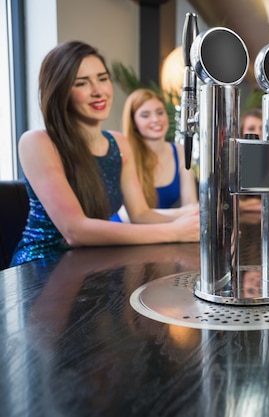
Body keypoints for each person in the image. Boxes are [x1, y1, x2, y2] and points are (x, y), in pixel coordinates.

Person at [10, 41, 199, 267]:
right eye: (81, 83)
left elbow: (140, 214)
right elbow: (75, 230)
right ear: (60, 92)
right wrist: (174, 232)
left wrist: (194, 217)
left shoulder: (119, 142)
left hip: (90, 265)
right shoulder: (37, 142)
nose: (98, 91)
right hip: (38, 269)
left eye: (102, 78)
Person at [111, 88, 198, 222]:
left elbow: (191, 207)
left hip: (164, 232)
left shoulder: (180, 151)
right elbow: (130, 217)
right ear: (133, 122)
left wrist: (153, 215)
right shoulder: (123, 152)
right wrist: (181, 214)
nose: (155, 119)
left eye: (160, 112)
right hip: (124, 234)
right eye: (145, 115)